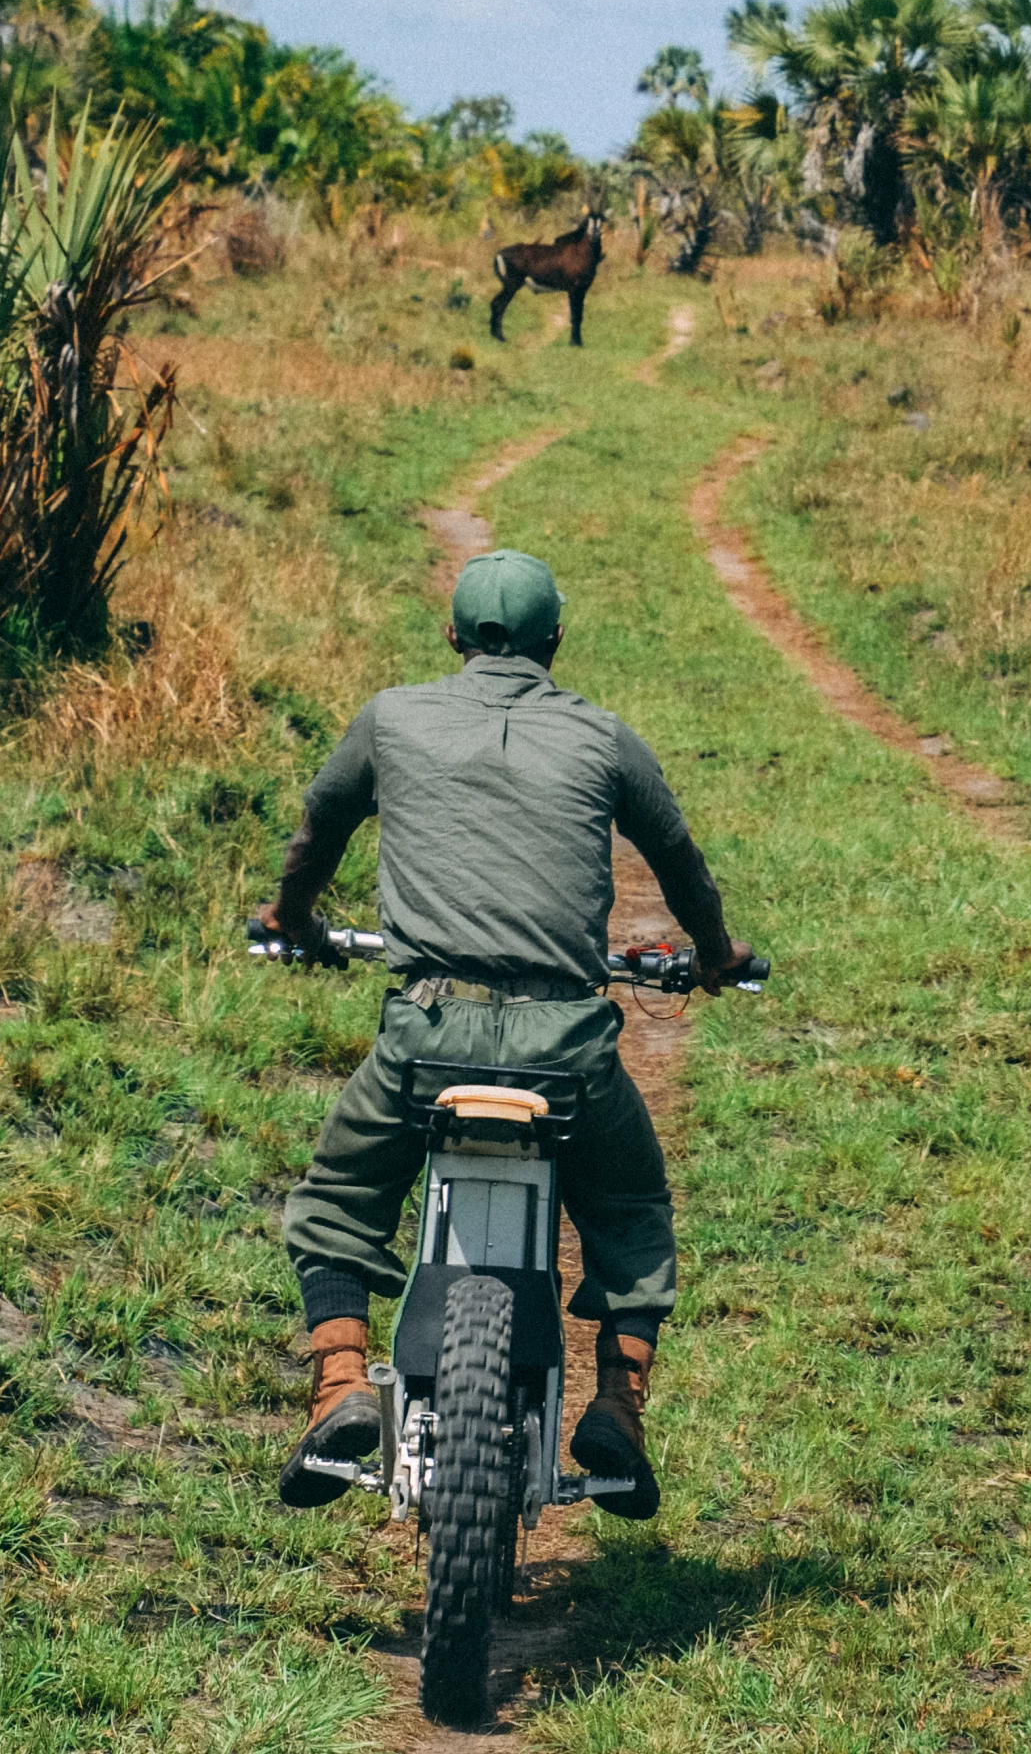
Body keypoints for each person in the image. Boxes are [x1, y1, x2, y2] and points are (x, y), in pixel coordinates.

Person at [262, 548, 752, 1519]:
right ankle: (617, 1402)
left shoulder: (391, 718)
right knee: (630, 1207)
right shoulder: (604, 738)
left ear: (451, 635)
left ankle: (340, 1381)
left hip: (424, 1038)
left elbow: (319, 826)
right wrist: (716, 954)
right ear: (555, 641)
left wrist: (292, 919)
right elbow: (681, 861)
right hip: (563, 1049)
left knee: (340, 1192)